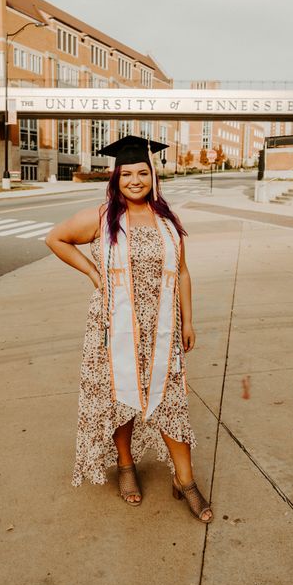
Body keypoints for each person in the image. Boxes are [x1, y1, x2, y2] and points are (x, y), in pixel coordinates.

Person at [45, 135, 213, 523]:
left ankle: (184, 479)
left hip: (163, 328)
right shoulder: (101, 217)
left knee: (172, 401)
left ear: (153, 177)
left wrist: (188, 320)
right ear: (115, 177)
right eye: (127, 173)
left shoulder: (169, 221)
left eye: (142, 172)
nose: (135, 180)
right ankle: (125, 466)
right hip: (113, 325)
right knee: (120, 397)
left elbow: (183, 272)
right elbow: (56, 238)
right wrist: (92, 272)